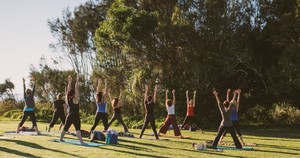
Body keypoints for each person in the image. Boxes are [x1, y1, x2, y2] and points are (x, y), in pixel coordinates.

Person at [60, 74, 86, 145]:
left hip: (69, 115)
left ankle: (61, 139)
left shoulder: (67, 99)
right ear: (74, 94)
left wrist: (69, 81)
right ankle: (81, 142)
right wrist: (77, 80)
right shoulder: (75, 99)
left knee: (65, 128)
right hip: (75, 116)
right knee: (77, 129)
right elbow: (76, 88)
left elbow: (68, 90)